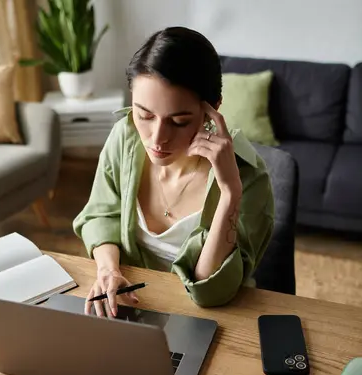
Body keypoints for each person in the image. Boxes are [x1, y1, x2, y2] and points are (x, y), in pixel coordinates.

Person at [73, 27, 274, 317]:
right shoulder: (125, 136)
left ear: (212, 110)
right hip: (131, 307)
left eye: (178, 121)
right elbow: (100, 214)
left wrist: (230, 192)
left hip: (210, 318)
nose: (156, 138)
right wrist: (108, 270)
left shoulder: (248, 175)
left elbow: (212, 290)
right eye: (144, 115)